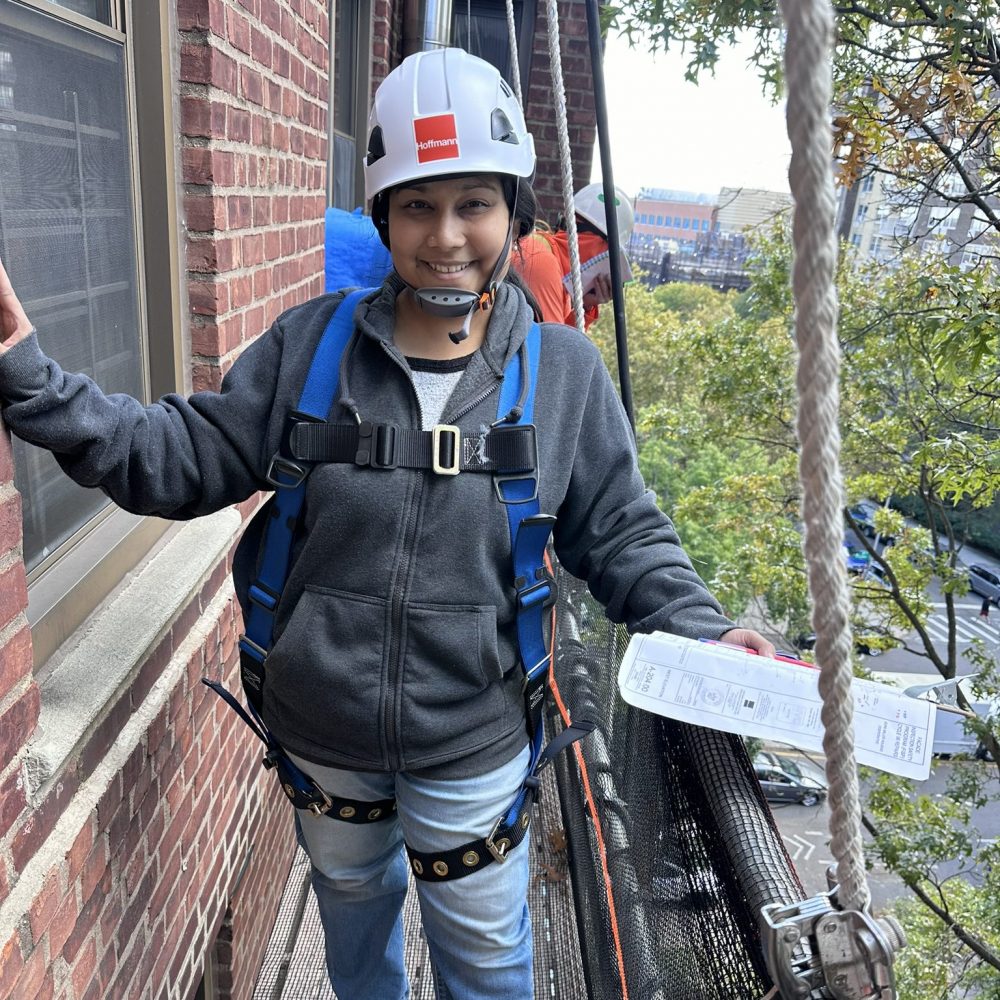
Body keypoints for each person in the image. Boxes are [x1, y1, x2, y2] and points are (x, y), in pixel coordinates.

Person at [0, 48, 773, 1000]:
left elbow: (622, 534)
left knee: (487, 967)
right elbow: (176, 454)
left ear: (512, 212)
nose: (446, 236)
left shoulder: (564, 374)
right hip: (322, 733)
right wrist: (30, 380)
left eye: (472, 204)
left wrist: (703, 628)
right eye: (417, 205)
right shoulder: (310, 347)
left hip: (474, 738)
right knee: (352, 913)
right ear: (384, 216)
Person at [513, 181, 634, 330]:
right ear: (597, 243)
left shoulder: (555, 268)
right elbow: (551, 349)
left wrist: (583, 306)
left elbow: (562, 342)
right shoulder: (540, 260)